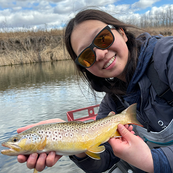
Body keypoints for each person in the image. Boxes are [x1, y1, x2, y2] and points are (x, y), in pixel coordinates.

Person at [17, 9, 173, 173]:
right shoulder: (112, 102)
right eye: (86, 56)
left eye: (103, 38)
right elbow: (103, 160)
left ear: (122, 33)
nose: (99, 54)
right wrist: (76, 145)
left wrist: (152, 161)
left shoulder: (168, 56)